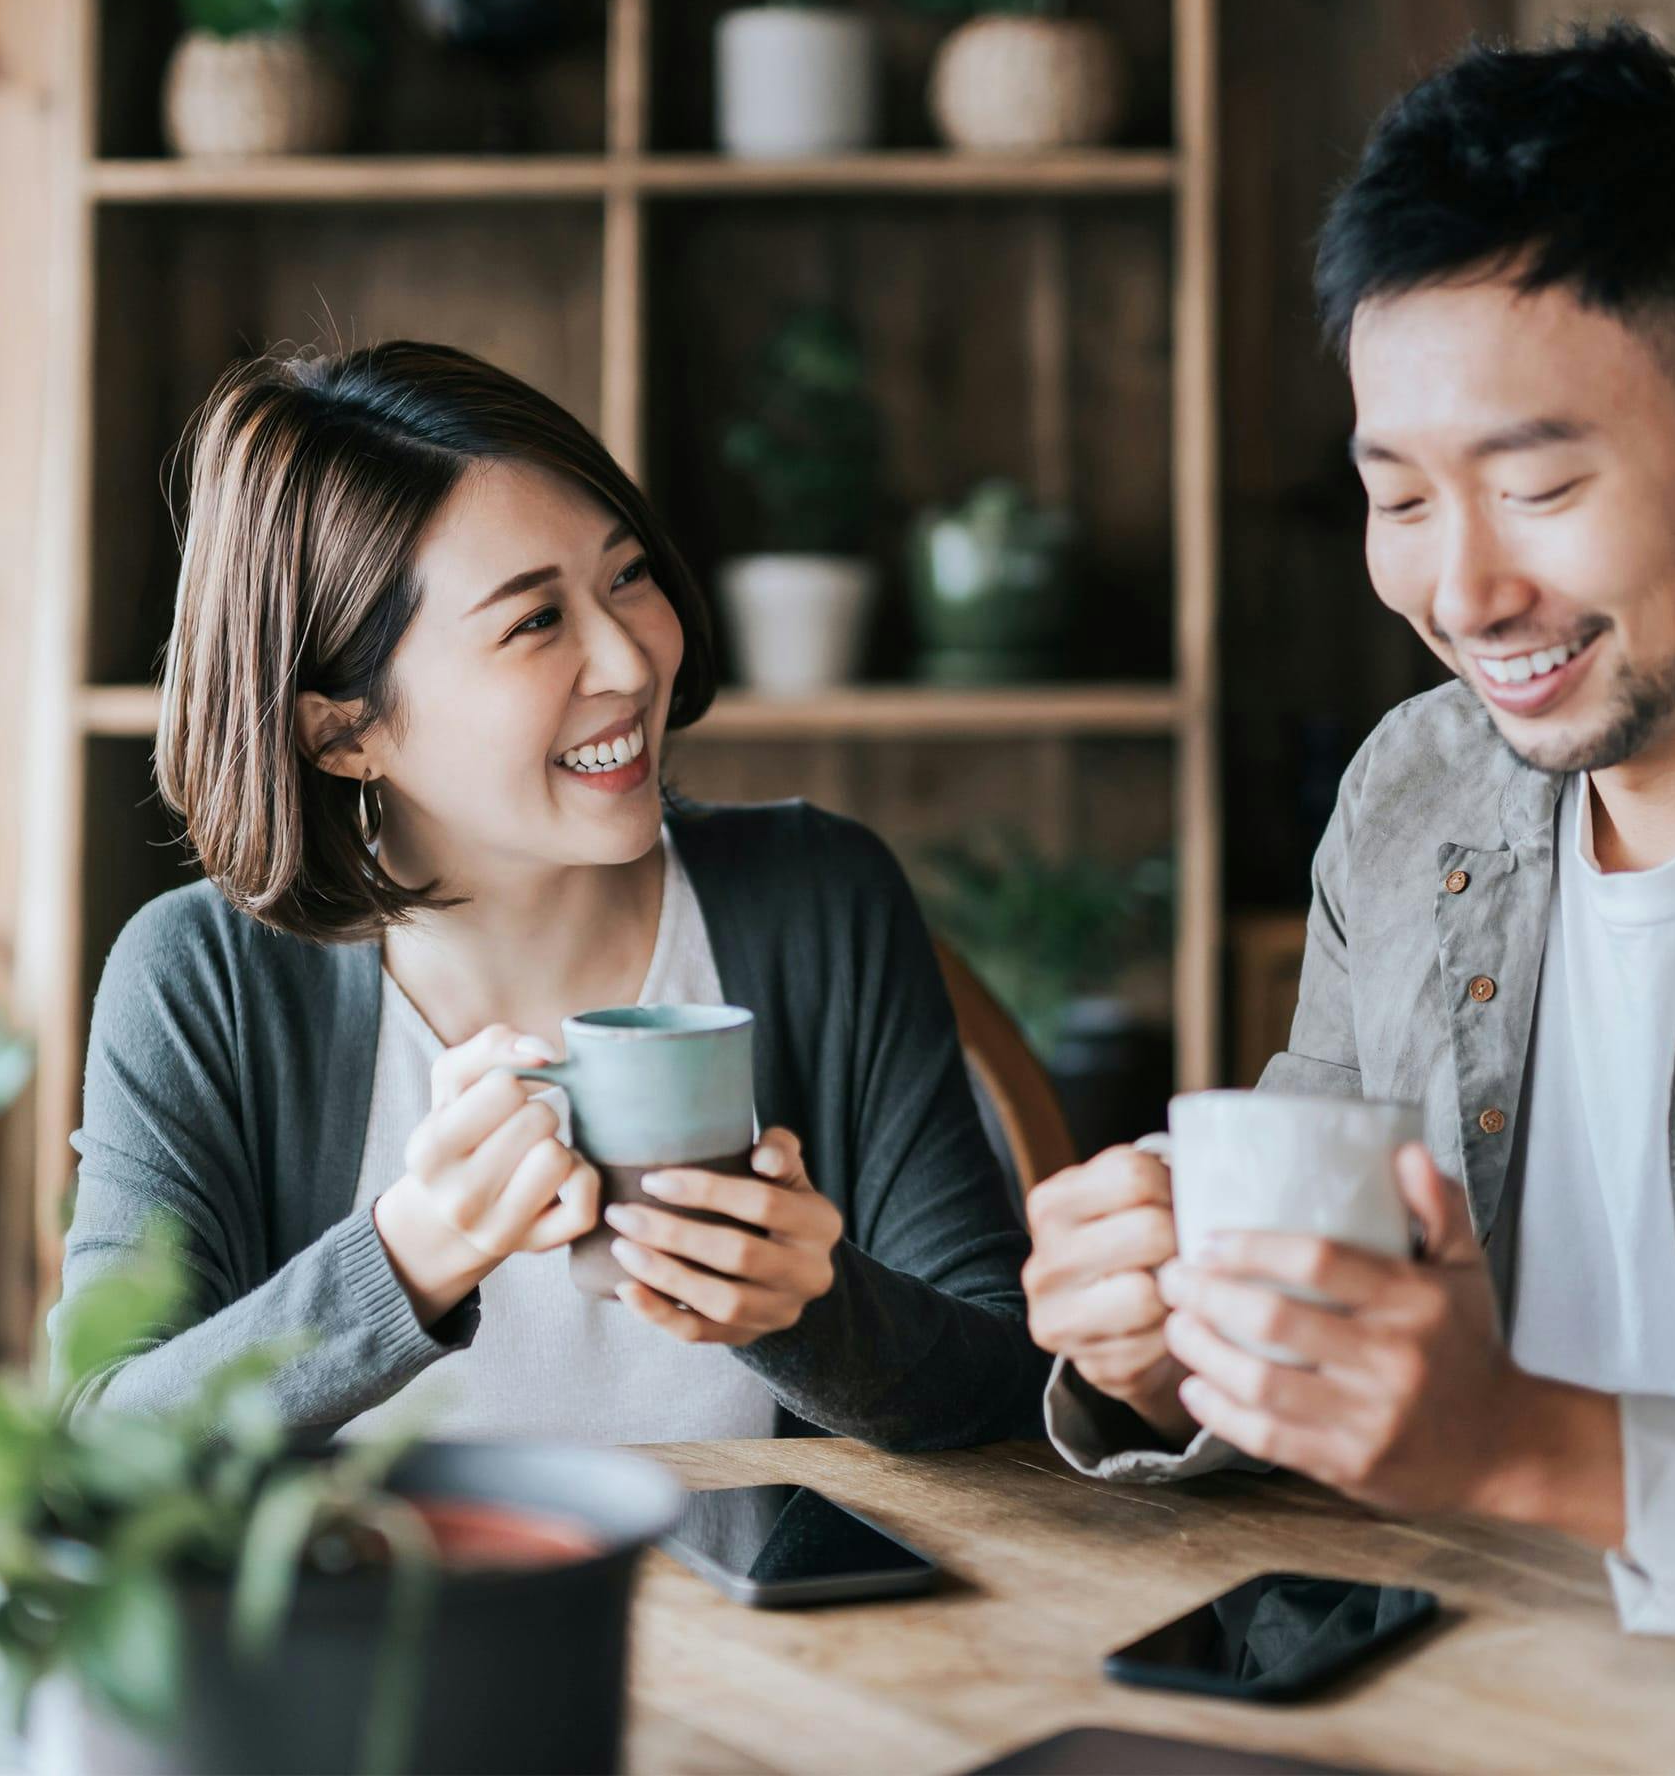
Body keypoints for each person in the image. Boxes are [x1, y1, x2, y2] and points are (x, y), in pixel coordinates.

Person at [1023, 25, 1675, 1640]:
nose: (1463, 591)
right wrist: (1161, 1358)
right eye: (1404, 498)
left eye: (1540, 486)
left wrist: (1544, 1452)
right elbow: (1310, 1333)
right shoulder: (1410, 794)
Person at [54, 341, 1044, 1450]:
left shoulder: (821, 900)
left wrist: (808, 1312)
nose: (628, 657)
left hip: (782, 1633)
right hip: (377, 1629)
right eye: (533, 621)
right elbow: (96, 1450)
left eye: (625, 575)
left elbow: (1013, 1391)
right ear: (343, 731)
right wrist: (407, 1257)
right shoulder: (201, 981)